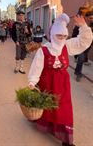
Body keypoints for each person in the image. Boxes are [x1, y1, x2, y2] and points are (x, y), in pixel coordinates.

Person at [27, 13, 93, 146]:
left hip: (62, 85)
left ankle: (66, 140)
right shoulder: (44, 50)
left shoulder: (66, 46)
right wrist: (32, 81)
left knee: (64, 110)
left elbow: (83, 42)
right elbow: (37, 67)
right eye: (59, 36)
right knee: (48, 107)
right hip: (47, 83)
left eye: (64, 36)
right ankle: (48, 126)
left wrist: (83, 26)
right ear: (52, 35)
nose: (62, 39)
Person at [73, 7, 93, 82]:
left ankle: (76, 71)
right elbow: (75, 34)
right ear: (86, 18)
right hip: (80, 45)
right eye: (90, 18)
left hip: (88, 45)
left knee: (82, 59)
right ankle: (78, 73)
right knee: (81, 59)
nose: (92, 19)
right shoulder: (80, 24)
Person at [12, 10, 32, 74]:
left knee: (23, 56)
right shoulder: (15, 24)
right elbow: (12, 34)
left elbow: (30, 34)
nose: (21, 16)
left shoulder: (27, 24)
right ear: (17, 16)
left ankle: (21, 68)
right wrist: (15, 41)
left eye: (22, 15)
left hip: (25, 42)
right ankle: (17, 67)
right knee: (18, 55)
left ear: (24, 16)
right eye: (19, 15)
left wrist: (27, 31)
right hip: (18, 42)